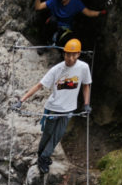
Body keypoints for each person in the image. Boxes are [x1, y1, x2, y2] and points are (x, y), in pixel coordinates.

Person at [12, 38, 91, 175]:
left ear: (78, 54)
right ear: (64, 53)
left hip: (69, 109)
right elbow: (39, 85)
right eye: (67, 54)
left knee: (57, 135)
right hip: (54, 107)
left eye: (73, 55)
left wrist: (86, 104)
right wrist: (21, 100)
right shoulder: (57, 69)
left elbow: (86, 86)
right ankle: (41, 154)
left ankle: (43, 157)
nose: (70, 58)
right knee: (48, 133)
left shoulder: (83, 68)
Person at [34, 0, 106, 48]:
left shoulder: (76, 3)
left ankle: (59, 47)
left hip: (65, 29)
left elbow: (88, 12)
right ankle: (45, 43)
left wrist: (100, 13)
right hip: (53, 26)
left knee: (69, 41)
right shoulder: (55, 1)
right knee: (52, 20)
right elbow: (38, 7)